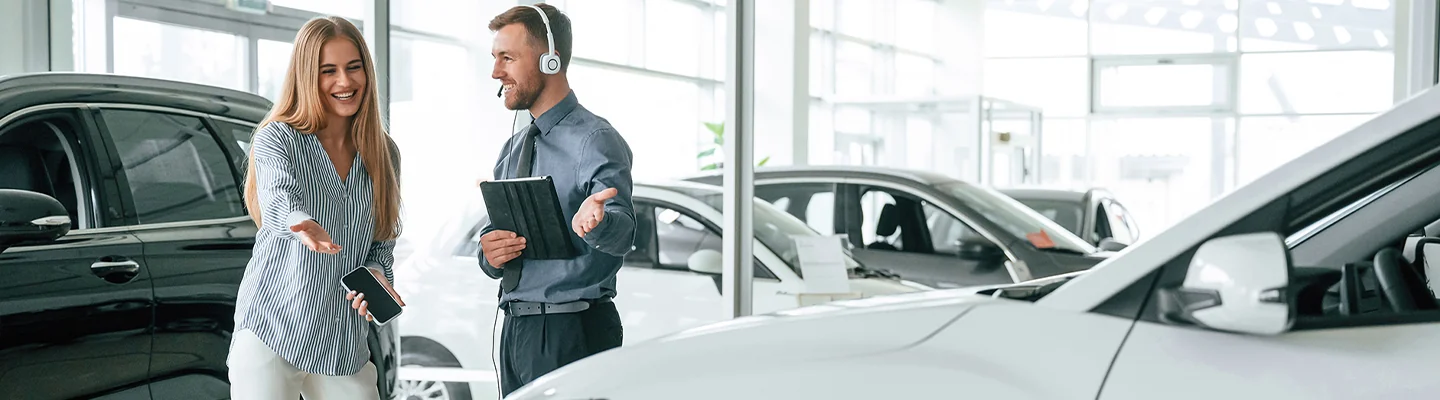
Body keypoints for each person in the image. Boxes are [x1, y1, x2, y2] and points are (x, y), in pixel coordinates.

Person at [231, 16, 404, 400]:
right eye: (329, 71)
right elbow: (277, 195)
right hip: (273, 330)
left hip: (342, 342)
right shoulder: (279, 136)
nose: (345, 82)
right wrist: (300, 222)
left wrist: (375, 276)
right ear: (308, 76)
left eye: (353, 67)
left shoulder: (384, 152)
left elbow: (381, 242)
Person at [478, 3, 636, 396]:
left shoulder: (594, 139)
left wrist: (599, 223)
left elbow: (624, 230)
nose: (496, 72)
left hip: (571, 329)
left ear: (550, 61)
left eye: (507, 58)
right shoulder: (513, 148)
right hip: (518, 329)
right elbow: (493, 234)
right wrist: (489, 251)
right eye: (495, 58)